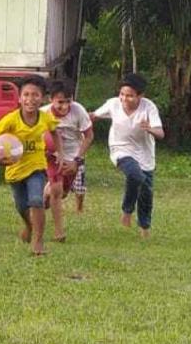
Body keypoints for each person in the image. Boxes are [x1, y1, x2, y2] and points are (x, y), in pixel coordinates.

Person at [0, 75, 61, 255]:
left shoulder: (45, 118)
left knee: (36, 200)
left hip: (37, 167)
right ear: (19, 98)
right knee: (21, 206)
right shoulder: (11, 119)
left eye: (35, 95)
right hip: (15, 170)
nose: (30, 99)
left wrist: (60, 153)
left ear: (42, 98)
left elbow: (55, 132)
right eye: (26, 95)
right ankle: (29, 225)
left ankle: (38, 242)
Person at [90, 73, 164, 238]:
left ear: (140, 96)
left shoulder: (149, 107)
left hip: (145, 155)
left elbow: (161, 133)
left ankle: (144, 227)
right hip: (120, 149)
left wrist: (150, 129)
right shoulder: (113, 104)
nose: (124, 98)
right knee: (134, 174)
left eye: (130, 95)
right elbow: (93, 116)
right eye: (122, 94)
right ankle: (127, 211)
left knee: (146, 192)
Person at [42, 79, 94, 241]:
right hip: (51, 157)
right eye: (60, 102)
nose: (64, 106)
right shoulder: (43, 114)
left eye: (68, 101)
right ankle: (59, 232)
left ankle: (43, 197)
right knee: (57, 191)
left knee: (62, 193)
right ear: (51, 99)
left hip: (72, 157)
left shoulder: (78, 111)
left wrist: (77, 160)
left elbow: (89, 136)